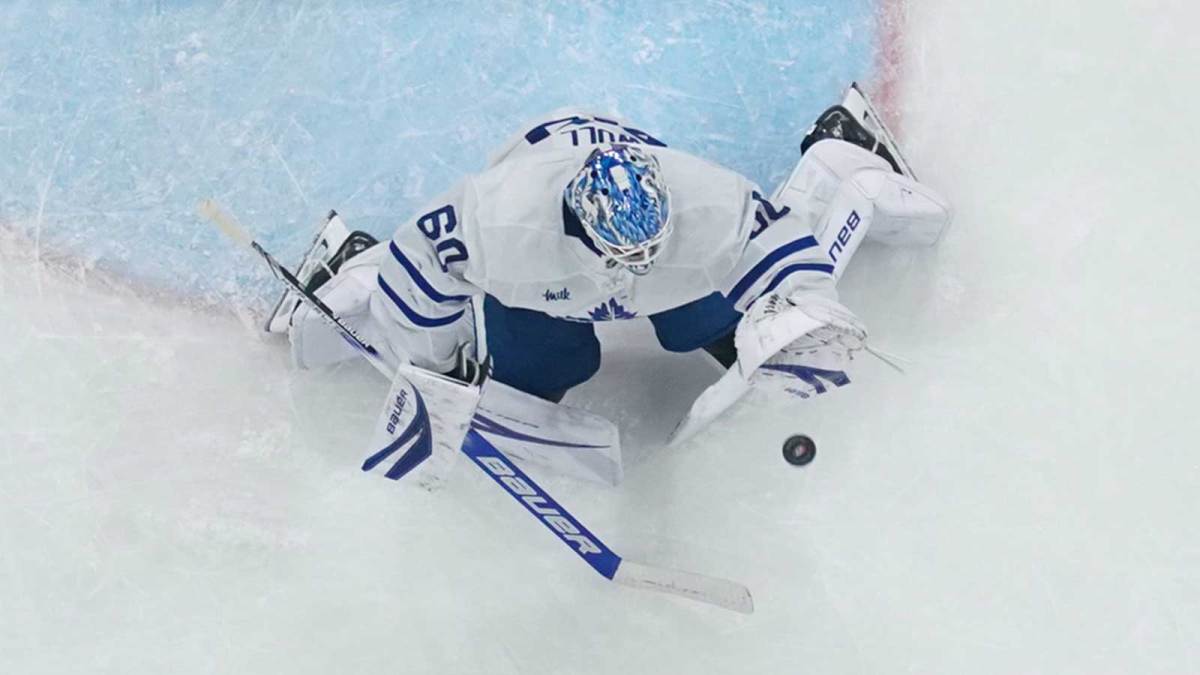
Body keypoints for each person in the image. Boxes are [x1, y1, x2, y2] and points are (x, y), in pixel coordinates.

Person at [270, 87, 951, 409]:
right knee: (539, 371)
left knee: (713, 327)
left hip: (645, 210)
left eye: (649, 249)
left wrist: (805, 310)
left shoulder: (704, 201)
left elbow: (774, 244)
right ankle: (351, 261)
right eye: (624, 256)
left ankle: (839, 152)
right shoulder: (503, 221)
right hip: (543, 211)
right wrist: (437, 367)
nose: (639, 267)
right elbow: (422, 261)